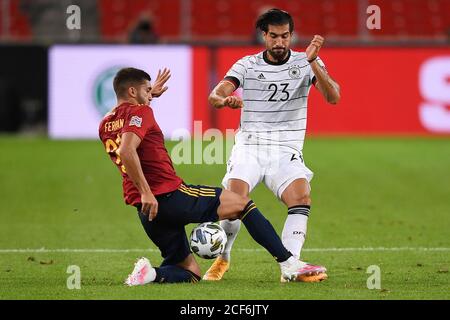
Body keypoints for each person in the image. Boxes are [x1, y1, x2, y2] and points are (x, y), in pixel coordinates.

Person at [98, 67, 323, 285]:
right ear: (132, 92)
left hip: (146, 212)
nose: (151, 94)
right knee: (242, 204)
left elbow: (126, 121)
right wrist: (148, 192)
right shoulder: (141, 111)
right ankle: (288, 263)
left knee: (189, 272)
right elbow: (127, 150)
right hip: (168, 196)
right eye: (147, 90)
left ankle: (151, 274)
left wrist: (147, 95)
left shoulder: (105, 123)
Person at [205, 8, 341, 282]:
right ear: (264, 36)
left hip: (286, 150)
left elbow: (333, 96)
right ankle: (223, 258)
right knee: (234, 198)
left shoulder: (307, 62)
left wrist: (314, 62)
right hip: (251, 146)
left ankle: (289, 266)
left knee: (301, 197)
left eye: (285, 36)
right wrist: (224, 100)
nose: (280, 43)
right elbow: (215, 94)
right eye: (274, 36)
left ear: (291, 35)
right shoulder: (247, 64)